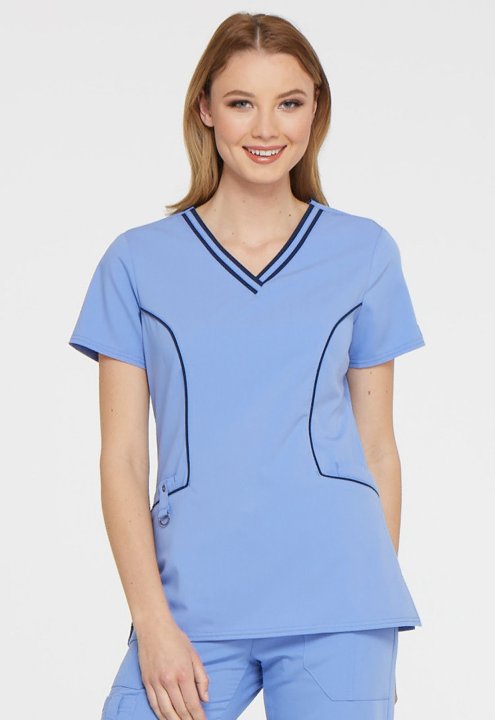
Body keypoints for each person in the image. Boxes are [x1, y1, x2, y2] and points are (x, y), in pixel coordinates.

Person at [68, 11, 426, 720]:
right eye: (241, 102)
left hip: (340, 604)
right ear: (205, 109)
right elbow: (123, 460)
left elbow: (378, 448)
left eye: (288, 103)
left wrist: (370, 609)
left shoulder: (364, 252)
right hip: (191, 603)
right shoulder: (136, 262)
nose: (266, 128)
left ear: (315, 111)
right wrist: (152, 623)